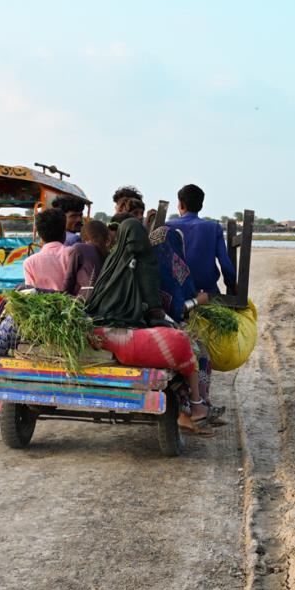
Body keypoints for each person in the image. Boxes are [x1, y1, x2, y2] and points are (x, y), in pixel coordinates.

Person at [85, 210, 213, 435]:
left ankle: (190, 408)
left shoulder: (111, 261)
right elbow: (154, 312)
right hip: (129, 331)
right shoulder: (147, 264)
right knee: (193, 348)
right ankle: (195, 407)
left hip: (99, 330)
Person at [166, 184, 237, 297]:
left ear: (182, 205)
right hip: (207, 292)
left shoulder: (168, 227)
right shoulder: (214, 227)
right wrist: (232, 285)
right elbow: (225, 263)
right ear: (201, 205)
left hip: (176, 292)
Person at [23, 209, 79, 294]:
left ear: (40, 235)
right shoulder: (74, 254)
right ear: (64, 233)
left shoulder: (29, 262)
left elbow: (29, 293)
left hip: (42, 306)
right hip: (72, 305)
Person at [73, 218, 110, 293]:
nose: (90, 247)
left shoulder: (80, 251)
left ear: (107, 241)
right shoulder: (115, 259)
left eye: (93, 241)